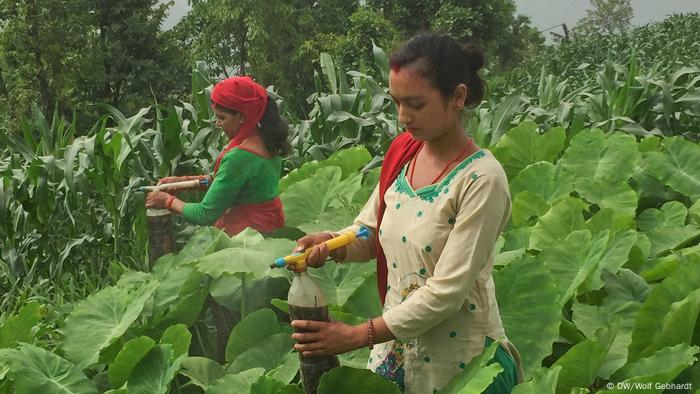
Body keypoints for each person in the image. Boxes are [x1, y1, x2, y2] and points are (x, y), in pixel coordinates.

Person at [288, 33, 523, 393]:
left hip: (461, 364)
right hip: (394, 354)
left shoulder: (481, 180)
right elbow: (369, 231)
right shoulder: (405, 153)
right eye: (396, 103)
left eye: (415, 104)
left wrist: (355, 335)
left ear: (457, 97)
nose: (402, 117)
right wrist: (334, 244)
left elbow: (446, 292)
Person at [145, 76, 290, 236]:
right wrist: (183, 182)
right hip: (271, 232)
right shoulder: (269, 142)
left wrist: (167, 201)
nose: (217, 123)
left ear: (243, 116)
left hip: (246, 241)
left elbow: (205, 214)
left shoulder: (238, 158)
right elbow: (227, 181)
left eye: (222, 117)